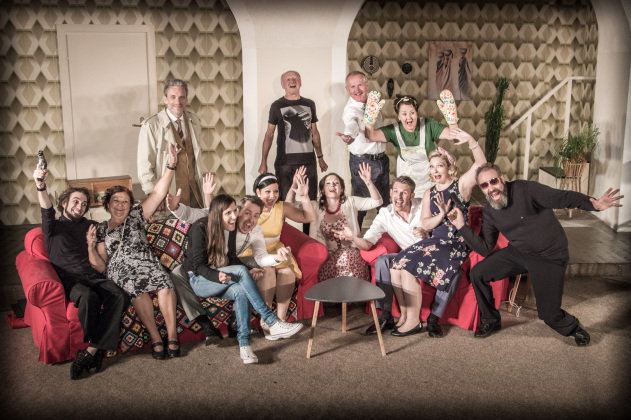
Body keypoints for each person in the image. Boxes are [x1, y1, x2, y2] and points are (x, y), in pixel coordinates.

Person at [450, 162, 624, 346]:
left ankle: (573, 327)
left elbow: (562, 197)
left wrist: (593, 204)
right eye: (485, 185)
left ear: (502, 179)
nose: (491, 188)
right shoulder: (490, 212)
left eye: (493, 181)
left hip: (550, 255)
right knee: (478, 273)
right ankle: (491, 321)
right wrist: (461, 225)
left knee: (549, 316)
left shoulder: (526, 190)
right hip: (520, 252)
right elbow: (485, 247)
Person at [33, 165, 129, 380]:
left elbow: (102, 263)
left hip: (93, 275)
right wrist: (40, 185)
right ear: (64, 203)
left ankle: (90, 351)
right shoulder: (52, 227)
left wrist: (92, 244)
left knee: (120, 295)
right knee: (87, 297)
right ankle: (97, 350)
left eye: (84, 204)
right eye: (76, 201)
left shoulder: (92, 226)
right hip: (70, 279)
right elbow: (46, 207)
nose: (80, 206)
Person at [387, 129, 486, 337]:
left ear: (450, 167)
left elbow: (480, 164)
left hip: (455, 242)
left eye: (440, 165)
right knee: (397, 265)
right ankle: (405, 316)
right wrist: (441, 214)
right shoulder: (429, 193)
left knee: (408, 268)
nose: (435, 170)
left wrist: (470, 140)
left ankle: (414, 322)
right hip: (435, 240)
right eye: (432, 167)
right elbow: (427, 224)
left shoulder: (461, 186)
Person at [183, 194, 303, 364]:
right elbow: (199, 266)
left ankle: (245, 347)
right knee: (240, 271)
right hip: (199, 280)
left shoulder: (230, 229)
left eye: (235, 211)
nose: (234, 216)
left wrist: (249, 270)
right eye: (228, 213)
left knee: (241, 290)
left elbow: (232, 258)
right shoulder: (200, 228)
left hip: (220, 275)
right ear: (217, 214)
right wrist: (217, 275)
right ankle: (271, 321)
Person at [166, 183, 293, 342]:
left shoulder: (249, 230)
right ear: (237, 211)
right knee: (177, 273)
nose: (251, 219)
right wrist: (176, 207)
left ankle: (243, 322)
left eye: (256, 215)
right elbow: (191, 214)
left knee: (256, 269)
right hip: (202, 264)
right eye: (247, 213)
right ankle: (206, 325)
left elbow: (248, 257)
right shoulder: (211, 222)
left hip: (227, 262)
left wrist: (276, 259)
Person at [89, 144, 181, 360]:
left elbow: (158, 192)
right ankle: (156, 339)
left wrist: (171, 165)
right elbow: (101, 266)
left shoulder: (136, 217)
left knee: (165, 283)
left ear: (131, 205)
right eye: (116, 201)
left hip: (146, 261)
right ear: (108, 204)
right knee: (136, 289)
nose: (120, 205)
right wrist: (90, 247)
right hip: (121, 269)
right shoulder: (101, 229)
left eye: (125, 202)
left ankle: (172, 335)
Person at [334, 176, 428, 335]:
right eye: (395, 191)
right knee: (383, 261)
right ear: (390, 193)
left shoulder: (422, 207)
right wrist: (352, 238)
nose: (399, 197)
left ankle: (410, 319)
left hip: (427, 254)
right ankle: (386, 316)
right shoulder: (386, 214)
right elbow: (367, 244)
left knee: (399, 263)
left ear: (412, 195)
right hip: (407, 255)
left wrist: (425, 233)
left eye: (404, 193)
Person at [241, 169, 315, 327]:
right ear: (258, 192)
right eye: (267, 191)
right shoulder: (248, 206)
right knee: (267, 270)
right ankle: (267, 321)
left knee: (287, 271)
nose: (272, 196)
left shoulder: (282, 207)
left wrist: (304, 196)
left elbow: (308, 217)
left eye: (276, 191)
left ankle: (280, 321)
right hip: (252, 251)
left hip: (276, 249)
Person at [287, 163, 382, 282]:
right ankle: (339, 292)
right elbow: (289, 205)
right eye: (328, 183)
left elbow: (377, 202)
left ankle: (352, 292)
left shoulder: (350, 202)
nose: (332, 185)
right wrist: (294, 184)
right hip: (326, 257)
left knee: (347, 258)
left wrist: (368, 182)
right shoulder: (315, 206)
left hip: (351, 255)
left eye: (336, 183)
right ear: (323, 191)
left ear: (341, 190)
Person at [258, 70, 328, 230]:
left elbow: (315, 132)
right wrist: (263, 161)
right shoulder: (277, 106)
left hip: (308, 163)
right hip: (285, 164)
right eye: (288, 79)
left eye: (295, 78)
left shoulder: (309, 104)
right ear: (283, 85)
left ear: (300, 82)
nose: (292, 80)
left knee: (310, 203)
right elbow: (269, 135)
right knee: (282, 203)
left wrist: (320, 157)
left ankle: (309, 238)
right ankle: (281, 236)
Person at [365, 94, 458, 198]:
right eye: (404, 114)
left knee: (432, 203)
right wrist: (369, 121)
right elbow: (370, 135)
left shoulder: (428, 125)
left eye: (412, 113)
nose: (409, 117)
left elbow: (452, 134)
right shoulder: (394, 131)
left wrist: (452, 120)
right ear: (399, 116)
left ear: (417, 113)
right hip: (407, 178)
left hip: (429, 176)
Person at [335, 71, 390, 229]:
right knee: (361, 206)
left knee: (385, 204)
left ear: (367, 85)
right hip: (363, 162)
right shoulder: (350, 110)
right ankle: (354, 239)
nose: (357, 90)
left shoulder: (373, 102)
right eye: (352, 87)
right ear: (347, 89)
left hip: (382, 160)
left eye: (360, 85)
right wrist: (349, 135)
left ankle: (387, 237)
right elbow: (352, 123)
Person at [138, 78, 204, 210]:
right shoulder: (151, 125)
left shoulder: (194, 121)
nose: (177, 102)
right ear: (165, 99)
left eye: (182, 97)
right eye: (173, 97)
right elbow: (144, 165)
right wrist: (154, 195)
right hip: (168, 193)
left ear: (186, 99)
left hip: (194, 193)